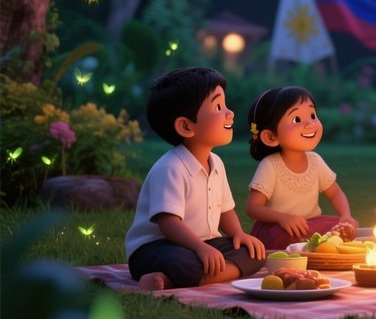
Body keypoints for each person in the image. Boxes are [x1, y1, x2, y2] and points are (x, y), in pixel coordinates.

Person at [126, 67, 266, 290]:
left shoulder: (216, 163)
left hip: (203, 243)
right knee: (184, 263)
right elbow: (168, 223)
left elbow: (225, 210)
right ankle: (192, 274)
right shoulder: (170, 168)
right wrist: (200, 249)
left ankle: (170, 281)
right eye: (218, 106)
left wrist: (239, 234)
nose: (229, 113)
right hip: (157, 247)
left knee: (254, 253)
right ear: (186, 126)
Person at [245, 86, 358, 249]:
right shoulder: (270, 165)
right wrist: (283, 218)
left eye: (312, 115)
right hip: (278, 227)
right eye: (297, 119)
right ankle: (319, 245)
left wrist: (345, 215)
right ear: (271, 136)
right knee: (292, 237)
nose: (310, 124)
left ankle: (322, 244)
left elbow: (335, 193)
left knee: (342, 227)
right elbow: (253, 208)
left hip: (311, 224)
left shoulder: (315, 161)